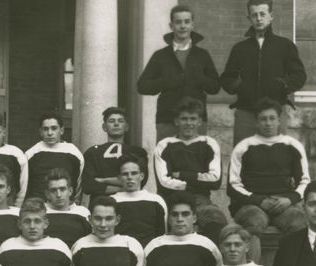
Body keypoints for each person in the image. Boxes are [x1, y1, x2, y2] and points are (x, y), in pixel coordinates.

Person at [227, 97, 310, 263]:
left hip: (284, 203)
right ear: (256, 122)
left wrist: (289, 200)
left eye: (272, 118)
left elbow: (305, 181)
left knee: (299, 222)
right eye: (263, 119)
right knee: (253, 222)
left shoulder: (292, 145)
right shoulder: (244, 147)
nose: (268, 123)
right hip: (253, 203)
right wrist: (259, 200)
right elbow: (233, 185)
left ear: (279, 120)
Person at [220, 0, 307, 144]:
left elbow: (299, 76)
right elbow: (227, 78)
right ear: (249, 18)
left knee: (276, 156)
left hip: (275, 113)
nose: (258, 18)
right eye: (254, 15)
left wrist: (281, 85)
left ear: (271, 16)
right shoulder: (240, 48)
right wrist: (240, 86)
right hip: (246, 113)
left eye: (262, 14)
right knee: (244, 155)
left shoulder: (284, 46)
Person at [136, 4, 221, 141]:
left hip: (196, 120)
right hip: (167, 119)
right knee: (167, 158)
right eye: (178, 22)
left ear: (192, 25)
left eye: (187, 22)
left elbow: (215, 87)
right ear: (171, 26)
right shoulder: (160, 55)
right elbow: (142, 86)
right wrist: (165, 81)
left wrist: (198, 78)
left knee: (196, 158)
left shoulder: (202, 55)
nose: (183, 26)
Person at [152, 97, 228, 244]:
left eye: (193, 119)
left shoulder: (209, 144)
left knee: (215, 219)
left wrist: (181, 175)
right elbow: (163, 182)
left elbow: (215, 180)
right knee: (155, 222)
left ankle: (212, 261)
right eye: (184, 119)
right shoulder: (164, 145)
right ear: (176, 121)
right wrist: (197, 179)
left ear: (199, 121)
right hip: (171, 199)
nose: (188, 123)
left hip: (200, 200)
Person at [80, 107, 149, 199]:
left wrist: (104, 180)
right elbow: (88, 185)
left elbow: (141, 181)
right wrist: (123, 188)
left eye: (120, 121)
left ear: (126, 127)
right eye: (111, 121)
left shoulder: (137, 152)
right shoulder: (93, 152)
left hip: (129, 202)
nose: (116, 124)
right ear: (104, 127)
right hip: (101, 205)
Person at [23, 112, 84, 202]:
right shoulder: (31, 153)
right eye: (45, 129)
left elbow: (78, 184)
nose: (50, 133)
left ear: (62, 130)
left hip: (64, 207)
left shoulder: (74, 152)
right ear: (40, 132)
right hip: (38, 207)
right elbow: (25, 184)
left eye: (54, 128)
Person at [110, 157, 168, 249]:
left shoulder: (156, 200)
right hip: (121, 253)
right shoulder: (112, 201)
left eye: (134, 173)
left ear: (141, 176)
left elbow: (162, 233)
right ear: (119, 178)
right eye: (125, 174)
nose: (129, 177)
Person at [44, 168, 90, 249]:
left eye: (62, 189)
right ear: (47, 194)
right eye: (53, 190)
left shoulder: (82, 212)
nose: (58, 195)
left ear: (70, 191)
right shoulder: (40, 212)